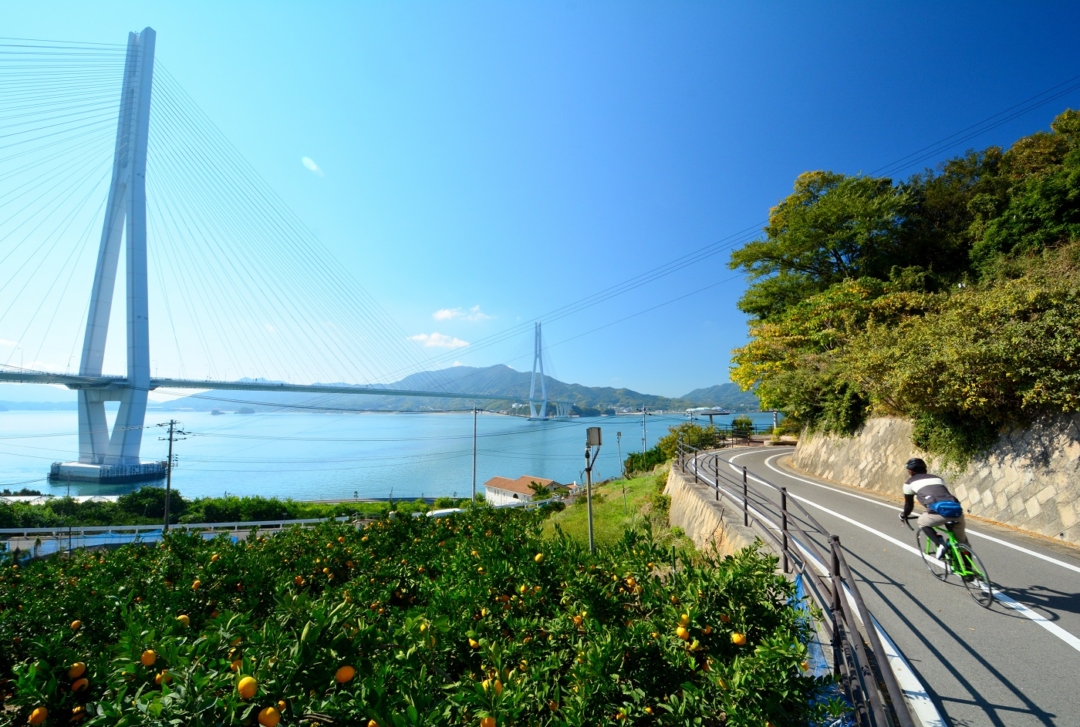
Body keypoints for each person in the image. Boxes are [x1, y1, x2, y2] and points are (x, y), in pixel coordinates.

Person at [899, 457, 966, 559]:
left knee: (922, 522)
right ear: (925, 469)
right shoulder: (938, 479)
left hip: (937, 512)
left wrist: (904, 515)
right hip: (956, 511)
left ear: (911, 471)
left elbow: (909, 505)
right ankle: (968, 567)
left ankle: (940, 544)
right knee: (963, 544)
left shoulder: (909, 483)